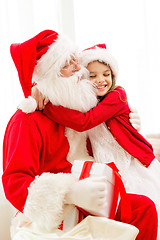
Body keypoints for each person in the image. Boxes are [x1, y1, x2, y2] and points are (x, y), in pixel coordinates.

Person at [2, 30, 158, 240]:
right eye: (68, 64)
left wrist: (129, 119)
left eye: (76, 60)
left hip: (92, 191)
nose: (79, 69)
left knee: (145, 208)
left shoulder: (72, 107)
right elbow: (15, 181)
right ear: (52, 74)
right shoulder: (26, 120)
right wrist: (69, 194)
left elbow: (103, 106)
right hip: (58, 209)